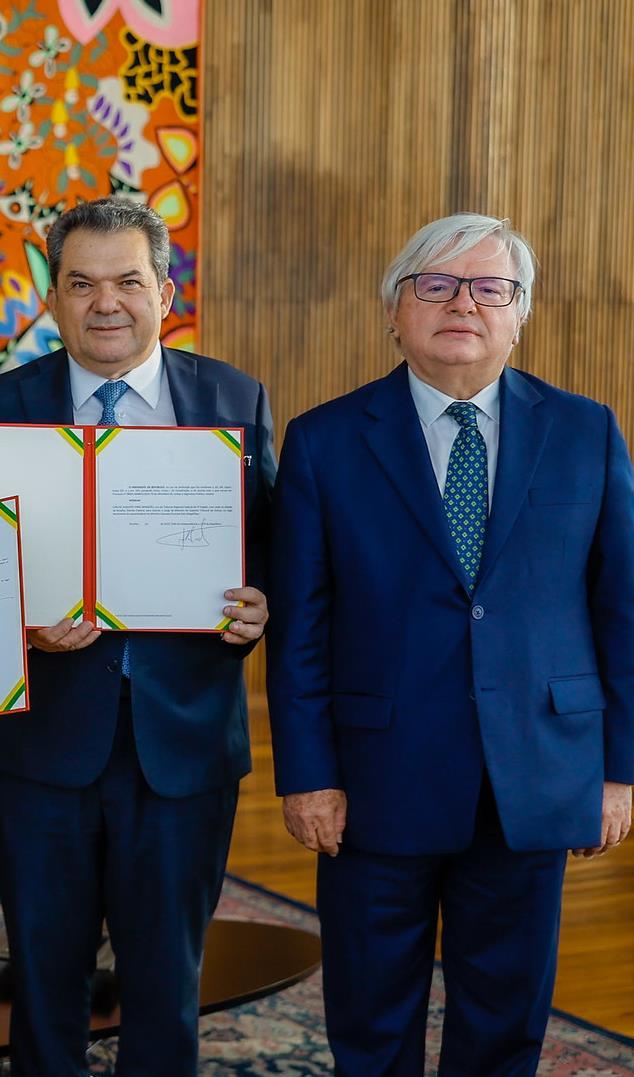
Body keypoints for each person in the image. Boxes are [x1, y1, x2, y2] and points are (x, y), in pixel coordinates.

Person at [268, 213, 633, 1075]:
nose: (461, 302)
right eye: (434, 284)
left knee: (507, 1018)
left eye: (488, 287)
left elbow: (621, 610)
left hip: (537, 773)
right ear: (395, 311)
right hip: (375, 778)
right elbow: (301, 625)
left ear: (520, 313)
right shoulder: (325, 440)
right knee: (369, 1012)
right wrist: (309, 773)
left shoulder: (587, 432)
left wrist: (617, 769)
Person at [0, 196, 274, 1075]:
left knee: (168, 985)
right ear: (52, 297)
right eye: (82, 283)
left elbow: (277, 544)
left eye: (129, 281)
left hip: (183, 746)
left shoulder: (233, 398)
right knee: (43, 982)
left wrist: (262, 602)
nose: (107, 303)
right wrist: (18, 623)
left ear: (164, 291)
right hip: (40, 746)